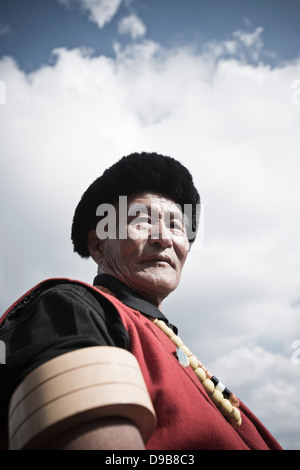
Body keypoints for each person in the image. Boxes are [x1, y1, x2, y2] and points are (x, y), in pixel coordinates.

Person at [0, 152, 282, 450]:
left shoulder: (174, 348)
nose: (164, 237)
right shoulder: (69, 309)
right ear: (98, 246)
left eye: (176, 226)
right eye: (141, 221)